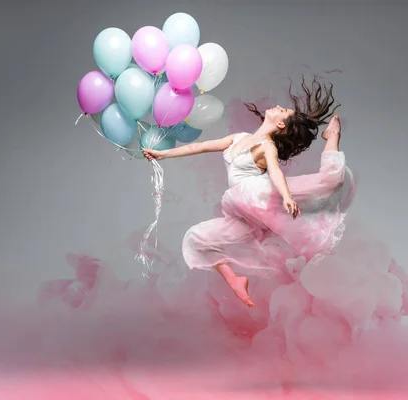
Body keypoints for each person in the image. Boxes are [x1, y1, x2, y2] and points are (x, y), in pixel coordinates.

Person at [143, 76, 349, 308]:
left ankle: (332, 136)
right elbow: (198, 147)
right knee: (196, 238)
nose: (277, 107)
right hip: (242, 208)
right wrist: (163, 155)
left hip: (261, 194)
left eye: (282, 110)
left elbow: (275, 172)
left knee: (329, 182)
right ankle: (235, 281)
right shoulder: (238, 138)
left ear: (281, 124)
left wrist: (287, 196)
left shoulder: (267, 146)